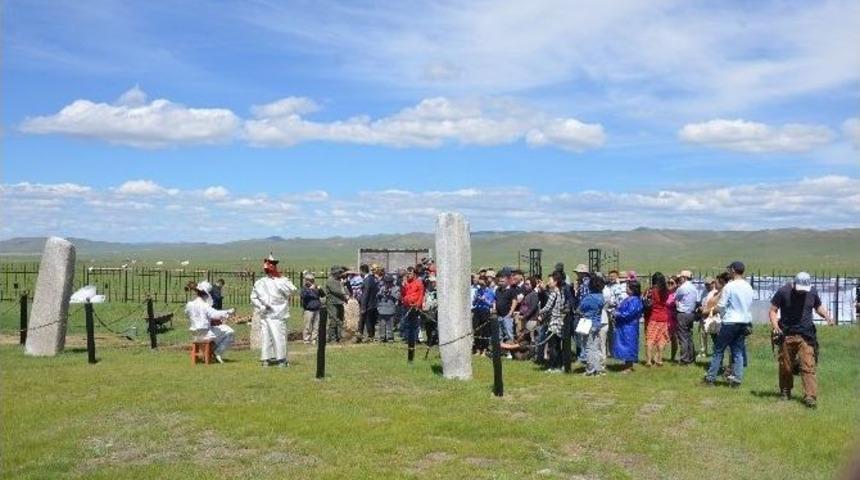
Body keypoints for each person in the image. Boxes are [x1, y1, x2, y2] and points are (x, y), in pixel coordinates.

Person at [769, 272, 834, 408]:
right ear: (794, 283)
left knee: (808, 366)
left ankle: (810, 397)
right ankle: (785, 391)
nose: (801, 292)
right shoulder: (783, 291)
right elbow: (773, 310)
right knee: (785, 366)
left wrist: (827, 316)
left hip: (806, 335)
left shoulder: (812, 291)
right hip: (786, 334)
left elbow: (818, 306)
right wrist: (775, 327)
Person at [704, 261, 754, 387]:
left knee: (718, 350)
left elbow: (721, 306)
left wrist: (709, 311)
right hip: (744, 322)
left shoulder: (729, 287)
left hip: (730, 322)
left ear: (733, 270)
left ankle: (710, 378)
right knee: (737, 351)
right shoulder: (748, 286)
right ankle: (737, 379)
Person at [250, 255, 296, 367]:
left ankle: (271, 359)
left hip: (277, 312)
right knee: (271, 336)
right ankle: (277, 359)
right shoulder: (261, 282)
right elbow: (253, 297)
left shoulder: (282, 280)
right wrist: (262, 307)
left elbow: (292, 290)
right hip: (270, 314)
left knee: (273, 335)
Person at [185, 280, 235, 363]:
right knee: (230, 332)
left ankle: (210, 353)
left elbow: (187, 313)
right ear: (206, 295)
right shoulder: (204, 305)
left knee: (220, 329)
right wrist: (228, 312)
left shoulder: (189, 304)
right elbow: (215, 314)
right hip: (206, 334)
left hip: (195, 334)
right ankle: (217, 352)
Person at [613, 280, 643, 373]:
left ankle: (629, 367)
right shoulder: (628, 298)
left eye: (627, 287)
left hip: (630, 327)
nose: (626, 289)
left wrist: (617, 314)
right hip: (623, 326)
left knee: (629, 345)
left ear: (632, 289)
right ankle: (626, 365)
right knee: (624, 344)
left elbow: (629, 313)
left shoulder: (635, 300)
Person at [538, 272, 565, 372]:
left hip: (553, 323)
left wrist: (539, 312)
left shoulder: (554, 293)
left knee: (552, 346)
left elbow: (548, 307)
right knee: (557, 345)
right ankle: (559, 365)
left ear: (555, 281)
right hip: (559, 322)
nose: (548, 283)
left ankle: (553, 367)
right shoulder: (561, 292)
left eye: (550, 281)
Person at [580, 276, 606, 376]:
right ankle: (598, 368)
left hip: (588, 323)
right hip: (597, 323)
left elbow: (581, 307)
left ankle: (590, 369)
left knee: (588, 347)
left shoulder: (589, 298)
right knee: (596, 347)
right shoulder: (601, 297)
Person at [645, 272, 672, 367]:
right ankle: (659, 359)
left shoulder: (651, 290)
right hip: (664, 317)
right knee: (662, 339)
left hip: (654, 316)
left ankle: (648, 361)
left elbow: (646, 301)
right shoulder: (666, 291)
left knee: (650, 338)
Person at [674, 270, 698, 365]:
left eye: (681, 278)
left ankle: (684, 359)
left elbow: (676, 298)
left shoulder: (682, 288)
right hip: (691, 313)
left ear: (684, 278)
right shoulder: (694, 288)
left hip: (682, 313)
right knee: (689, 336)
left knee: (683, 337)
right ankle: (691, 357)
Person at [401, 268, 425, 357]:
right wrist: (403, 287)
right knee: (407, 324)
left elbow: (421, 295)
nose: (409, 275)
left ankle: (413, 341)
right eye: (407, 273)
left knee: (414, 325)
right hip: (407, 306)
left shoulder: (418, 283)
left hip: (415, 307)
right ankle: (409, 340)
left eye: (410, 273)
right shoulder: (406, 283)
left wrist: (417, 305)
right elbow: (403, 294)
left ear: (414, 274)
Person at [325, 266, 350, 343]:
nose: (341, 274)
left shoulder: (339, 281)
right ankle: (333, 338)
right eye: (339, 273)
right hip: (333, 304)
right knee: (333, 321)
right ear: (335, 273)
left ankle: (339, 337)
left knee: (340, 321)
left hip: (339, 303)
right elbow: (338, 291)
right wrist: (343, 287)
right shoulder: (330, 281)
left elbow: (347, 291)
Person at [472, 275, 495, 356]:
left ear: (486, 283)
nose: (481, 286)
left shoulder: (490, 291)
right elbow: (473, 303)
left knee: (485, 332)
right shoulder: (478, 291)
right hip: (477, 311)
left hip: (485, 312)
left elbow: (491, 305)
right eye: (480, 284)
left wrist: (485, 300)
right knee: (477, 331)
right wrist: (476, 299)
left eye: (482, 284)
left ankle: (484, 350)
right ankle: (477, 349)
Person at [357, 264, 379, 343]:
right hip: (373, 304)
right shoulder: (372, 278)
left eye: (360, 271)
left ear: (362, 271)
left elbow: (365, 294)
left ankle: (370, 337)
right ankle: (369, 336)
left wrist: (363, 307)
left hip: (368, 305)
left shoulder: (367, 280)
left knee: (367, 322)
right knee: (370, 321)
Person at [376, 274, 400, 343]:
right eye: (386, 282)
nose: (387, 283)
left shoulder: (396, 288)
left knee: (390, 324)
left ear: (391, 282)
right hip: (382, 309)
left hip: (390, 309)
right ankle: (382, 337)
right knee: (382, 325)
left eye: (389, 282)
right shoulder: (382, 288)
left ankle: (390, 338)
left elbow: (397, 297)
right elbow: (377, 295)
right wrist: (381, 293)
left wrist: (391, 293)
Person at [300, 273, 322, 344]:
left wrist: (319, 289)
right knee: (308, 325)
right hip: (308, 309)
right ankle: (306, 339)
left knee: (316, 325)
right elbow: (303, 296)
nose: (312, 281)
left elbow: (323, 295)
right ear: (306, 280)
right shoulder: (304, 288)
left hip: (317, 308)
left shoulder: (315, 287)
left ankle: (314, 338)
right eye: (310, 280)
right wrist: (310, 290)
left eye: (312, 280)